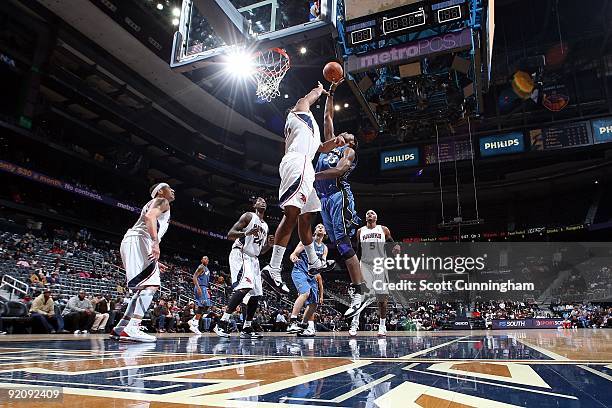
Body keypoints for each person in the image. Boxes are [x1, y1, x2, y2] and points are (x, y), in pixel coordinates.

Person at [261, 83, 343, 294]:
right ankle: (273, 267)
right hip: (298, 163)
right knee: (292, 213)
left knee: (309, 215)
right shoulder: (298, 112)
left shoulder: (310, 130)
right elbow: (307, 98)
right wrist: (319, 90)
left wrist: (335, 143)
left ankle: (314, 261)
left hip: (306, 165)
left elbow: (321, 147)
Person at [314, 78, 371, 319]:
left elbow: (338, 171)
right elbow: (328, 118)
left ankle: (360, 291)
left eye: (349, 134)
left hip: (339, 196)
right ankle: (314, 260)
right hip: (324, 198)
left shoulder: (349, 151)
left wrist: (312, 175)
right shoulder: (332, 146)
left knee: (344, 242)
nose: (345, 132)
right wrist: (331, 92)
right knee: (337, 243)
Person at [111, 183, 175, 342]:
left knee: (142, 288)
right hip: (141, 240)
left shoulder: (155, 203)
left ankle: (121, 327)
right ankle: (133, 327)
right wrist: (155, 243)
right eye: (169, 188)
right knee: (152, 286)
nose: (173, 190)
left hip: (133, 241)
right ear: (160, 191)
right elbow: (149, 217)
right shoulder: (162, 201)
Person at [214, 197, 273, 339]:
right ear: (254, 205)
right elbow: (230, 234)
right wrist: (247, 233)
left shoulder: (265, 226)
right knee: (244, 287)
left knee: (256, 294)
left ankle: (247, 327)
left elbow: (260, 250)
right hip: (241, 254)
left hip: (254, 258)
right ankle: (222, 322)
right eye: (259, 200)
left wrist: (269, 245)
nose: (262, 201)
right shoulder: (248, 216)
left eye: (264, 200)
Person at [352, 210, 400, 337]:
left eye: (372, 213)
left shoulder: (383, 229)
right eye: (367, 213)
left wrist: (396, 246)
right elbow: (358, 250)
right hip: (365, 265)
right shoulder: (360, 231)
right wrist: (355, 266)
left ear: (376, 218)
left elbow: (391, 241)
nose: (369, 214)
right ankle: (354, 323)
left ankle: (382, 326)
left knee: (382, 298)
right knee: (361, 295)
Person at [287, 224, 327, 337]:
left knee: (314, 303)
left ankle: (303, 326)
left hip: (312, 276)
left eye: (322, 227)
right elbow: (293, 254)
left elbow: (322, 263)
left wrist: (326, 265)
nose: (320, 227)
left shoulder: (324, 248)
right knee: (305, 293)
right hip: (300, 271)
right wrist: (293, 258)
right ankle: (292, 322)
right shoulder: (307, 242)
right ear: (314, 231)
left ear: (325, 232)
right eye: (318, 226)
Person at [188, 256, 212, 334]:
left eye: (207, 259)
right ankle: (195, 324)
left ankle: (193, 320)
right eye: (204, 258)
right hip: (200, 287)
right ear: (201, 260)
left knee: (207, 305)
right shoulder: (201, 267)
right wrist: (198, 288)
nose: (206, 260)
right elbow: (194, 277)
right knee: (202, 306)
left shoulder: (206, 268)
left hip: (204, 288)